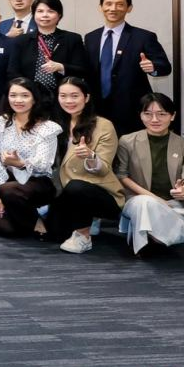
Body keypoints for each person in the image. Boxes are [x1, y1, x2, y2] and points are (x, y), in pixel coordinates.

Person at [44, 77, 122, 253]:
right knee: (54, 234)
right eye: (63, 96)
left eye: (74, 96)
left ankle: (84, 235)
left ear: (86, 98)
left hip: (100, 192)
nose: (69, 101)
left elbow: (103, 169)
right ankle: (85, 219)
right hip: (66, 192)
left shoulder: (103, 125)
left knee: (76, 187)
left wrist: (91, 156)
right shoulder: (54, 125)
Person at [115, 93, 184, 255]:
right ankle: (144, 244)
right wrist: (156, 199)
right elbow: (121, 175)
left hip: (171, 204)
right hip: (137, 201)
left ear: (172, 116)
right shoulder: (127, 141)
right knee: (144, 203)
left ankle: (148, 236)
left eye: (161, 114)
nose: (154, 119)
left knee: (176, 232)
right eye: (148, 114)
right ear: (140, 115)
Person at [83, 0, 172, 136]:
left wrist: (153, 67)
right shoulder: (91, 37)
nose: (113, 8)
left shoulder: (143, 36)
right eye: (108, 4)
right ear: (100, 7)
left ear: (129, 8)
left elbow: (165, 67)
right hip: (97, 108)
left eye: (119, 4)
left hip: (131, 108)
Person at [0, 78, 62, 237]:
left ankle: (38, 221)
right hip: (7, 183)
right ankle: (33, 213)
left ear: (34, 99)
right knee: (6, 229)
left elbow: (44, 164)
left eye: (24, 95)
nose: (18, 100)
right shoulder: (2, 122)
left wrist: (20, 163)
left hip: (37, 182)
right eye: (13, 95)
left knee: (9, 190)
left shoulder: (47, 127)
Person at [7, 0, 89, 97]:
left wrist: (61, 67)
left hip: (62, 96)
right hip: (30, 96)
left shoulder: (72, 39)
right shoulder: (21, 40)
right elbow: (12, 72)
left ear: (59, 15)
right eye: (40, 11)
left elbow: (82, 70)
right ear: (34, 14)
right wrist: (28, 90)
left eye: (50, 11)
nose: (45, 15)